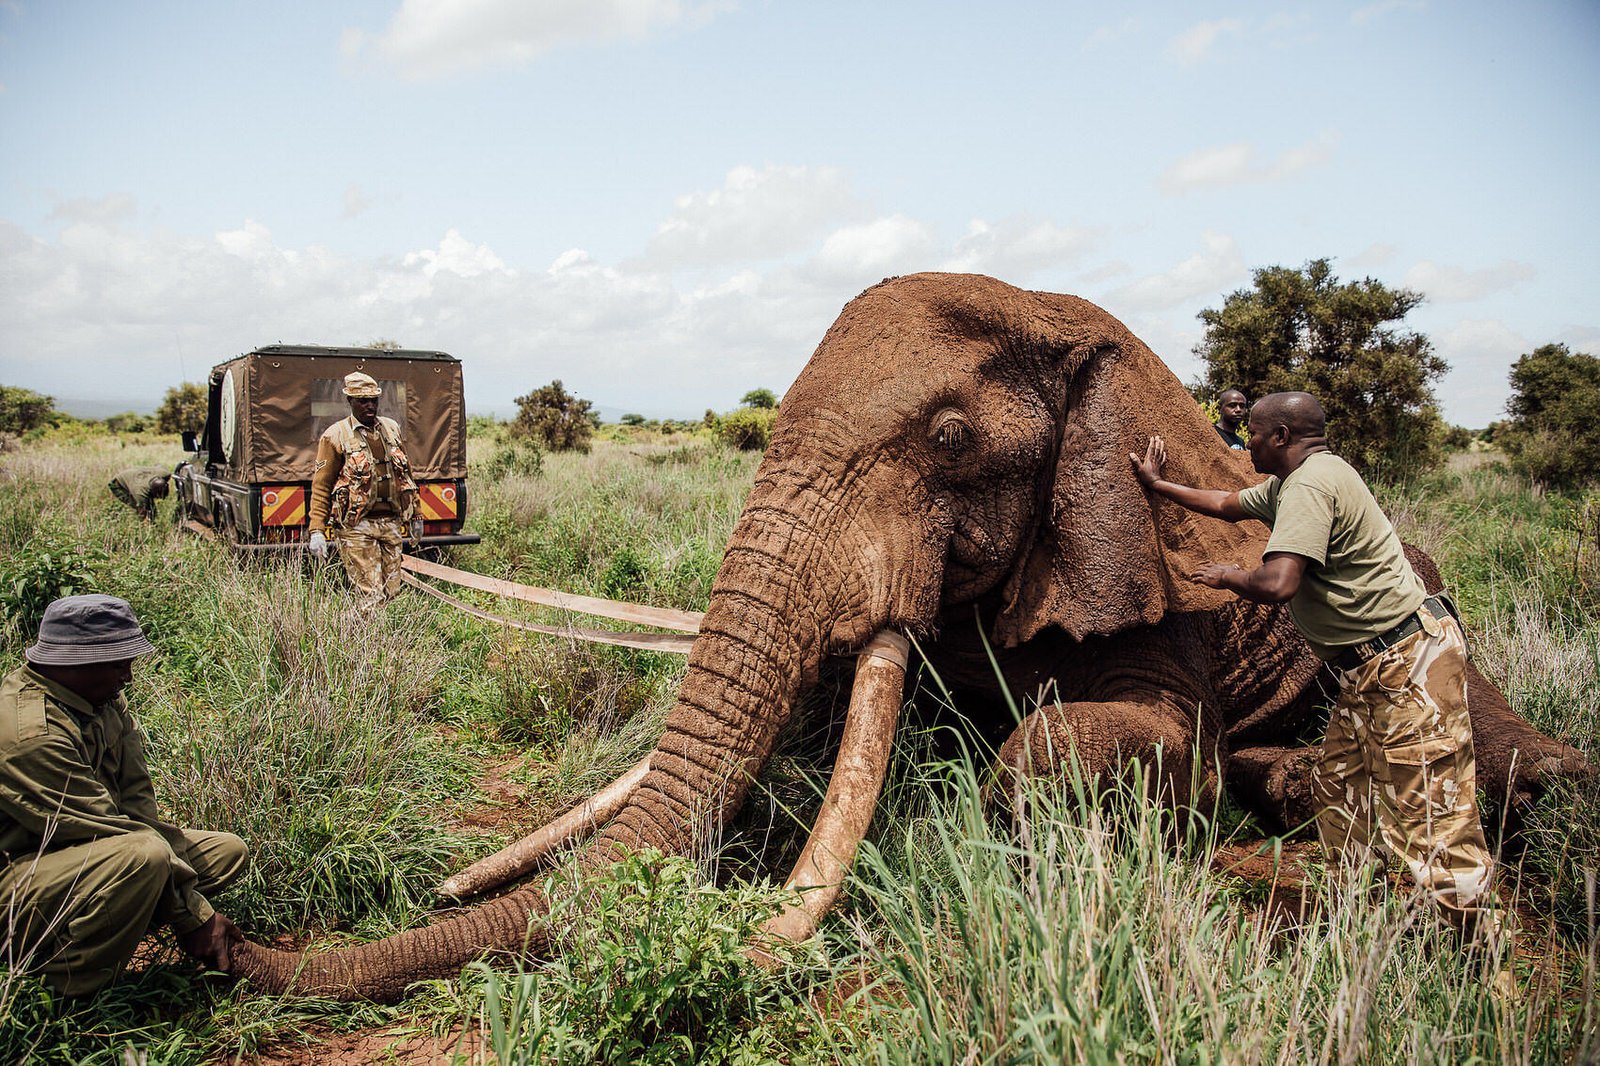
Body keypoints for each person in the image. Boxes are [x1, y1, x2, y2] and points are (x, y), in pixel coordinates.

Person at [1128, 392, 1502, 942]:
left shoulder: (1309, 486)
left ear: (1281, 437)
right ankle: (1360, 911)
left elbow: (1279, 582)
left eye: (1255, 435)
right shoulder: (1296, 479)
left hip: (1405, 663)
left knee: (1433, 813)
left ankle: (1482, 956)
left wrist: (1227, 576)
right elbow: (1228, 503)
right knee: (1340, 785)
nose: (1247, 444)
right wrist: (1159, 486)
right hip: (1369, 666)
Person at [0, 595, 247, 995]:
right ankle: (61, 989)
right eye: (119, 664)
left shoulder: (101, 699)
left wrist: (185, 904)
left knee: (226, 852)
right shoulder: (29, 735)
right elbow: (106, 828)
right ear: (76, 661)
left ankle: (113, 920)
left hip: (80, 855)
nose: (128, 677)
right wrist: (195, 917)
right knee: (145, 858)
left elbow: (137, 803)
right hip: (15, 880)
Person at [306, 371, 419, 611]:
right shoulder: (335, 435)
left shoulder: (391, 429)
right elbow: (322, 485)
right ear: (350, 401)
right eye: (363, 401)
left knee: (392, 592)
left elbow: (406, 476)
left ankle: (382, 634)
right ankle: (360, 634)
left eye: (373, 400)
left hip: (390, 523)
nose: (370, 406)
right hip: (356, 526)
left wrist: (416, 515)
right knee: (370, 596)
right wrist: (317, 530)